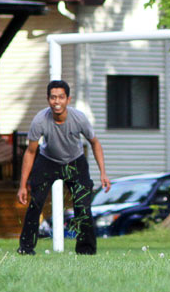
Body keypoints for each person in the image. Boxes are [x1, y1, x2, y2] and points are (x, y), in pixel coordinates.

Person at [16, 80, 110, 255]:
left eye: (61, 97)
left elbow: (95, 143)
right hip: (48, 161)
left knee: (83, 206)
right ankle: (26, 248)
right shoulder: (40, 120)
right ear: (48, 99)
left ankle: (86, 251)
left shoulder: (79, 118)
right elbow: (30, 152)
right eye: (53, 97)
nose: (57, 101)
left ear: (68, 99)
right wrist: (22, 185)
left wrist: (103, 173)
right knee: (36, 203)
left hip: (75, 162)